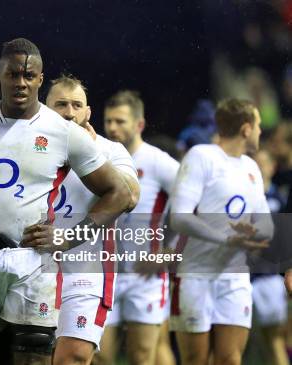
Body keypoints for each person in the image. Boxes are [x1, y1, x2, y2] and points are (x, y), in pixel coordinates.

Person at [0, 38, 133, 365]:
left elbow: (119, 193)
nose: (20, 82)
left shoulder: (62, 132)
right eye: (12, 74)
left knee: (36, 360)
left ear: (39, 78)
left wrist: (68, 236)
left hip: (37, 264)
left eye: (28, 75)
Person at [44, 75, 140, 365]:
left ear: (88, 113)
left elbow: (131, 196)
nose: (70, 112)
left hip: (86, 271)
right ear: (44, 109)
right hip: (34, 270)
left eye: (77, 105)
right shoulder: (29, 149)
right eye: (61, 104)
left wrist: (89, 153)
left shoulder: (110, 150)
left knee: (72, 358)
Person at [169, 98, 273, 365]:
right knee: (195, 361)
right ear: (247, 129)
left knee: (230, 360)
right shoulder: (202, 156)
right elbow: (179, 217)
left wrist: (254, 234)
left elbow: (267, 225)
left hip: (235, 277)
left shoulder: (251, 168)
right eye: (259, 125)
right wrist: (227, 238)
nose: (261, 132)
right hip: (196, 275)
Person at [97, 90, 179, 365]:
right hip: (105, 273)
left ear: (139, 125)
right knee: (99, 356)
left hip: (145, 277)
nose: (112, 128)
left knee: (141, 358)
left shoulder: (158, 161)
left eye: (120, 121)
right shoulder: (99, 158)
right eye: (108, 121)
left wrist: (168, 252)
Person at [250, 149, 289, 365]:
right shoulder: (248, 195)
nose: (259, 166)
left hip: (268, 276)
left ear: (272, 167)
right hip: (247, 277)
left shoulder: (277, 199)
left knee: (273, 339)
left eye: (263, 162)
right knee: (259, 343)